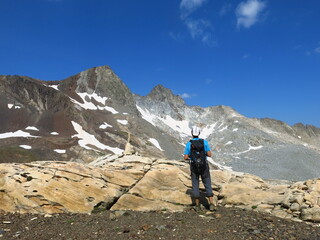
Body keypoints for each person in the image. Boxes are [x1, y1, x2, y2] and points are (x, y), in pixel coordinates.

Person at [184, 126, 215, 211]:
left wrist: (192, 157)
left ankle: (197, 206)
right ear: (199, 133)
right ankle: (211, 204)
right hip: (204, 166)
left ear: (192, 133)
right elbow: (209, 154)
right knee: (207, 182)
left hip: (194, 166)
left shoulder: (189, 144)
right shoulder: (204, 142)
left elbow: (185, 157)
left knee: (195, 184)